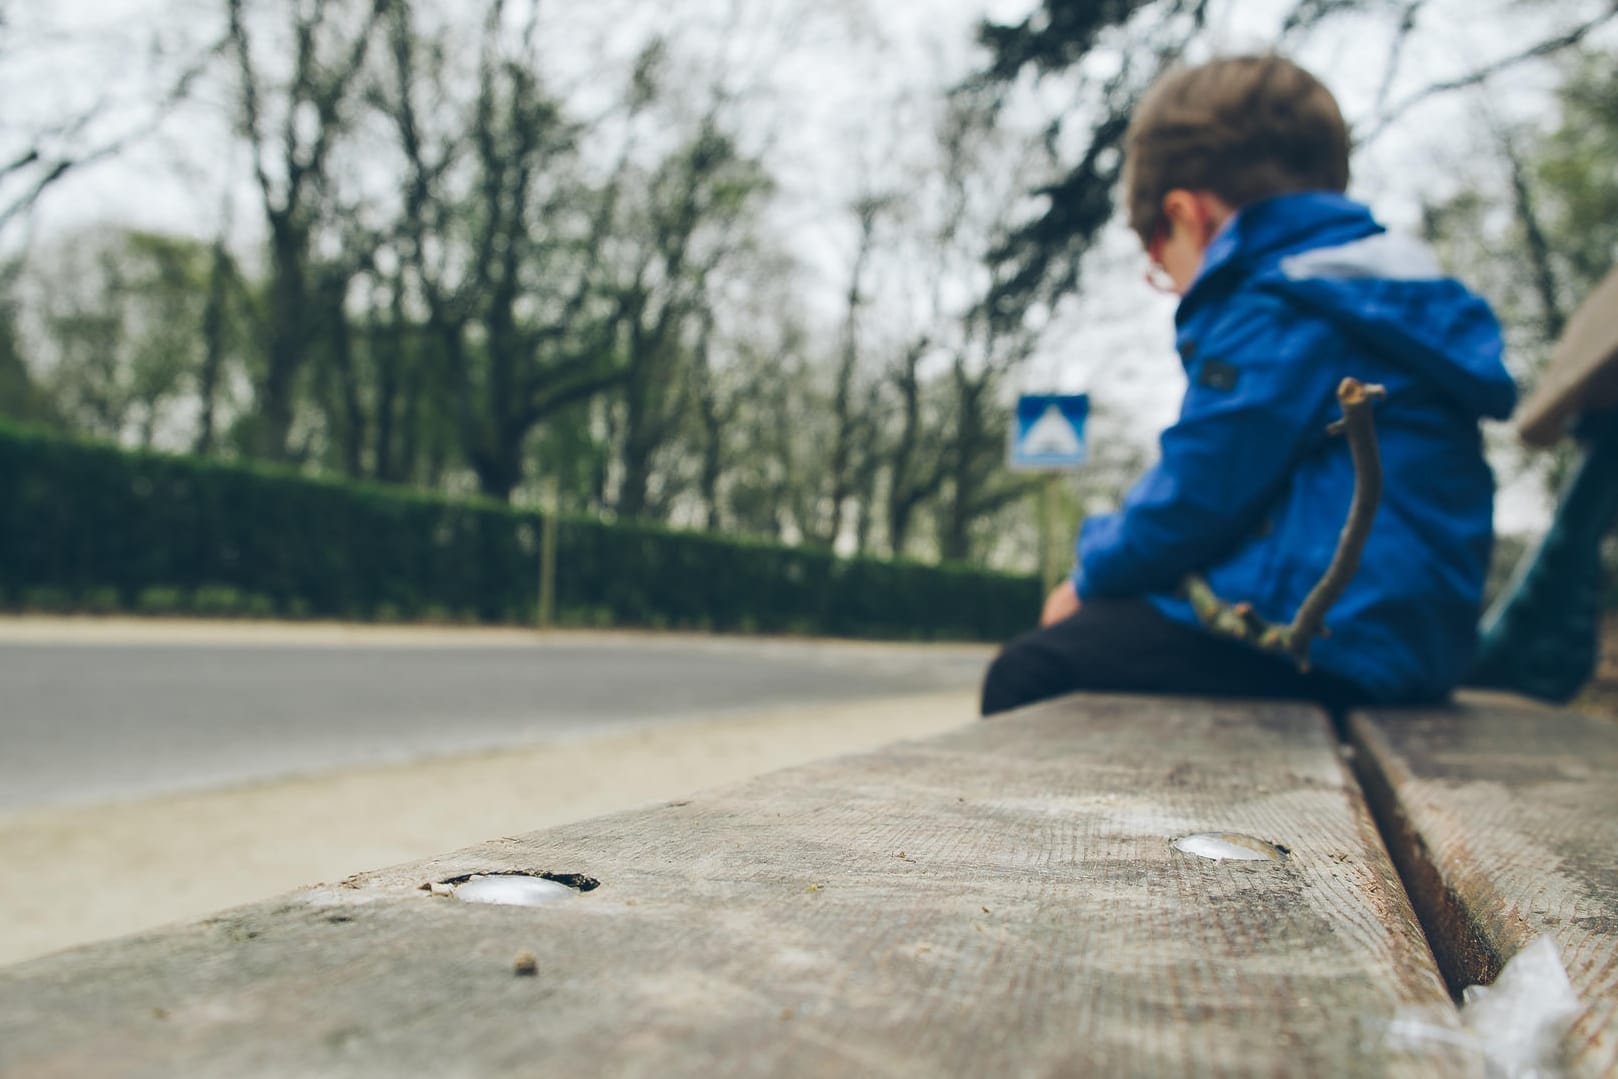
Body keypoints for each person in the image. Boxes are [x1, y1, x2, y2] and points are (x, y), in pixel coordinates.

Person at [980, 54, 1517, 717]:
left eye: (1159, 260)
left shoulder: (1280, 304)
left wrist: (1086, 576)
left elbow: (1197, 496)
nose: (1171, 283)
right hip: (1408, 645)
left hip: (1321, 643)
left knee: (1033, 669)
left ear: (1188, 215)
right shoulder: (1381, 294)